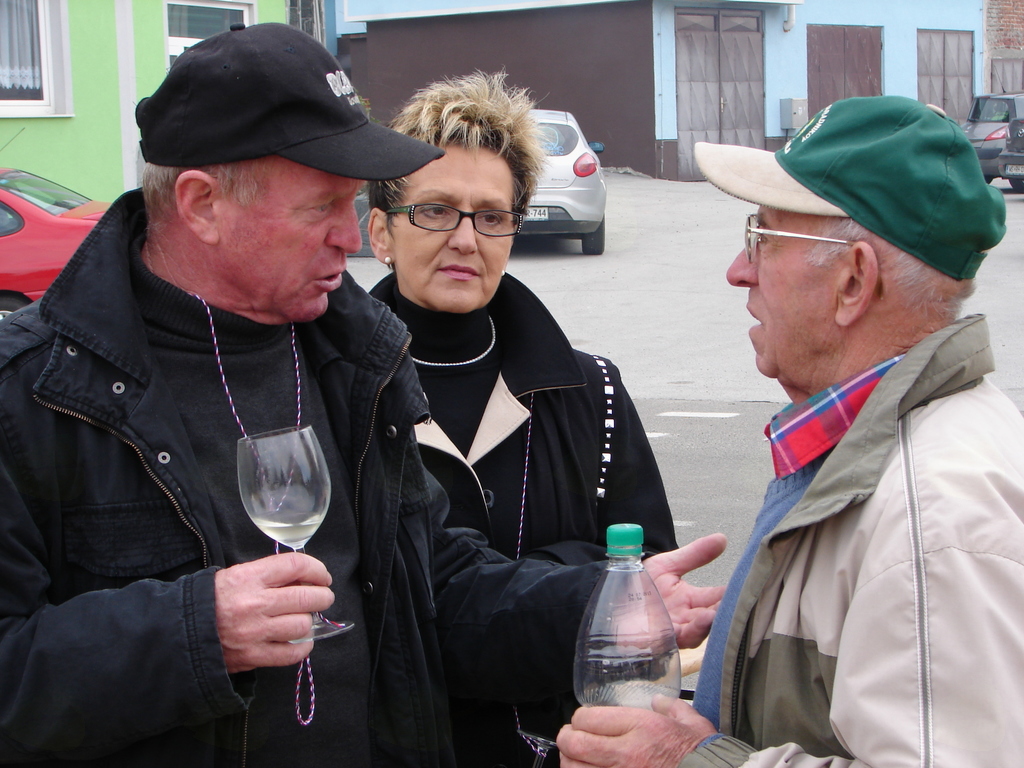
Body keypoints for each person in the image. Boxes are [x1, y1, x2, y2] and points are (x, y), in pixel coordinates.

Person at [0, 23, 726, 768]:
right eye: (320, 208)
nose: (348, 241)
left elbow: (433, 587)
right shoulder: (28, 392)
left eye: (350, 207)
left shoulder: (353, 359)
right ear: (202, 204)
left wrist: (593, 606)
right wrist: (193, 632)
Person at [557, 95, 1024, 768]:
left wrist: (688, 760)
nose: (738, 270)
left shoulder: (937, 513)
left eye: (764, 237)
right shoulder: (873, 451)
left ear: (853, 281)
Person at [364, 72, 677, 767]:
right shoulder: (337, 394)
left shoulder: (589, 392)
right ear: (381, 230)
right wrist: (570, 572)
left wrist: (523, 586)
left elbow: (648, 593)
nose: (465, 239)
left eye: (491, 215)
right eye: (436, 211)